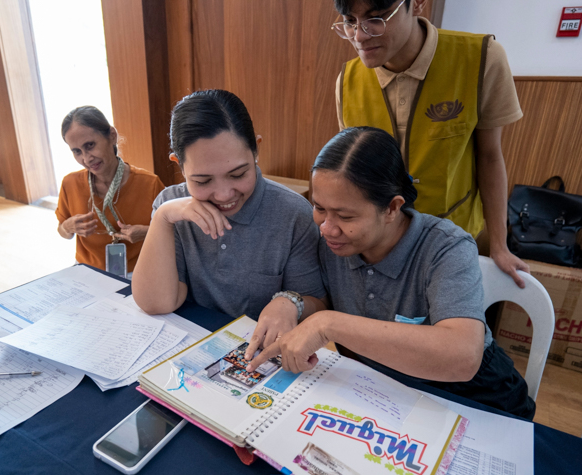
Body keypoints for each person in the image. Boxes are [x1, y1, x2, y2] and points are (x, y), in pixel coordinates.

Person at [247, 127, 535, 420]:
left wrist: (328, 324)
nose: (327, 228)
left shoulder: (446, 247)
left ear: (392, 208)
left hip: (473, 399)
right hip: (386, 395)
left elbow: (463, 356)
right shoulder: (331, 242)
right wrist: (290, 302)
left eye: (346, 216)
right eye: (319, 207)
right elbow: (321, 301)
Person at [332, 0, 529, 287]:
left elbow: (489, 157)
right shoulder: (347, 81)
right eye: (350, 21)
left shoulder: (481, 58)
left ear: (418, 3)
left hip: (452, 239)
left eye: (377, 18)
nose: (360, 36)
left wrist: (499, 245)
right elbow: (354, 173)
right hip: (379, 246)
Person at [132, 90, 326, 341]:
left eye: (238, 175)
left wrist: (291, 303)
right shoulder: (170, 206)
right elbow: (155, 303)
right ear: (178, 165)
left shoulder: (293, 215)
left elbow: (317, 307)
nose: (224, 195)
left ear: (256, 149)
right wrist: (163, 216)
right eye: (202, 180)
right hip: (188, 347)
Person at [56, 106, 164, 272]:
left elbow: (176, 233)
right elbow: (63, 232)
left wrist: (148, 232)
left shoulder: (150, 184)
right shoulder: (70, 184)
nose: (86, 158)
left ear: (112, 136)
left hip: (140, 272)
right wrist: (67, 227)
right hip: (88, 271)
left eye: (90, 145)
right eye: (77, 151)